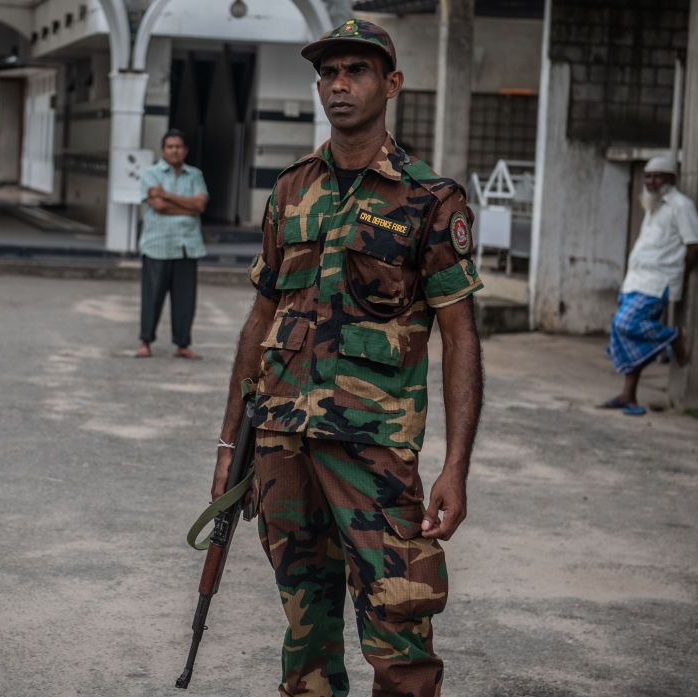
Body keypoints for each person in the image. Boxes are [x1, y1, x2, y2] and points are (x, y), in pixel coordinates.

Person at [211, 18, 483, 697]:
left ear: (390, 84)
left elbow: (461, 335)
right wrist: (227, 443)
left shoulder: (429, 199)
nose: (340, 84)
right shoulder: (291, 189)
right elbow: (260, 318)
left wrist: (455, 465)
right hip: (280, 440)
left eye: (356, 70)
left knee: (399, 620)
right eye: (329, 72)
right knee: (305, 623)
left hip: (374, 448)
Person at [601, 156, 698, 415]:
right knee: (626, 337)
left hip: (657, 284)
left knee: (626, 324)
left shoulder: (681, 205)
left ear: (670, 179)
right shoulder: (652, 205)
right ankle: (629, 395)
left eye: (657, 176)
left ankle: (674, 336)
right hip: (635, 281)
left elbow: (696, 243)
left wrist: (683, 274)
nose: (651, 181)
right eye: (647, 176)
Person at [135, 129, 208, 360]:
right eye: (170, 147)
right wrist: (187, 206)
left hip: (187, 246)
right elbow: (158, 206)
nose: (174, 150)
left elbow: (201, 205)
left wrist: (166, 194)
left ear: (185, 150)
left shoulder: (195, 174)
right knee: (152, 297)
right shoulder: (150, 173)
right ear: (163, 150)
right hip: (157, 245)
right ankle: (145, 341)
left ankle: (182, 344)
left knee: (185, 299)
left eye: (178, 147)